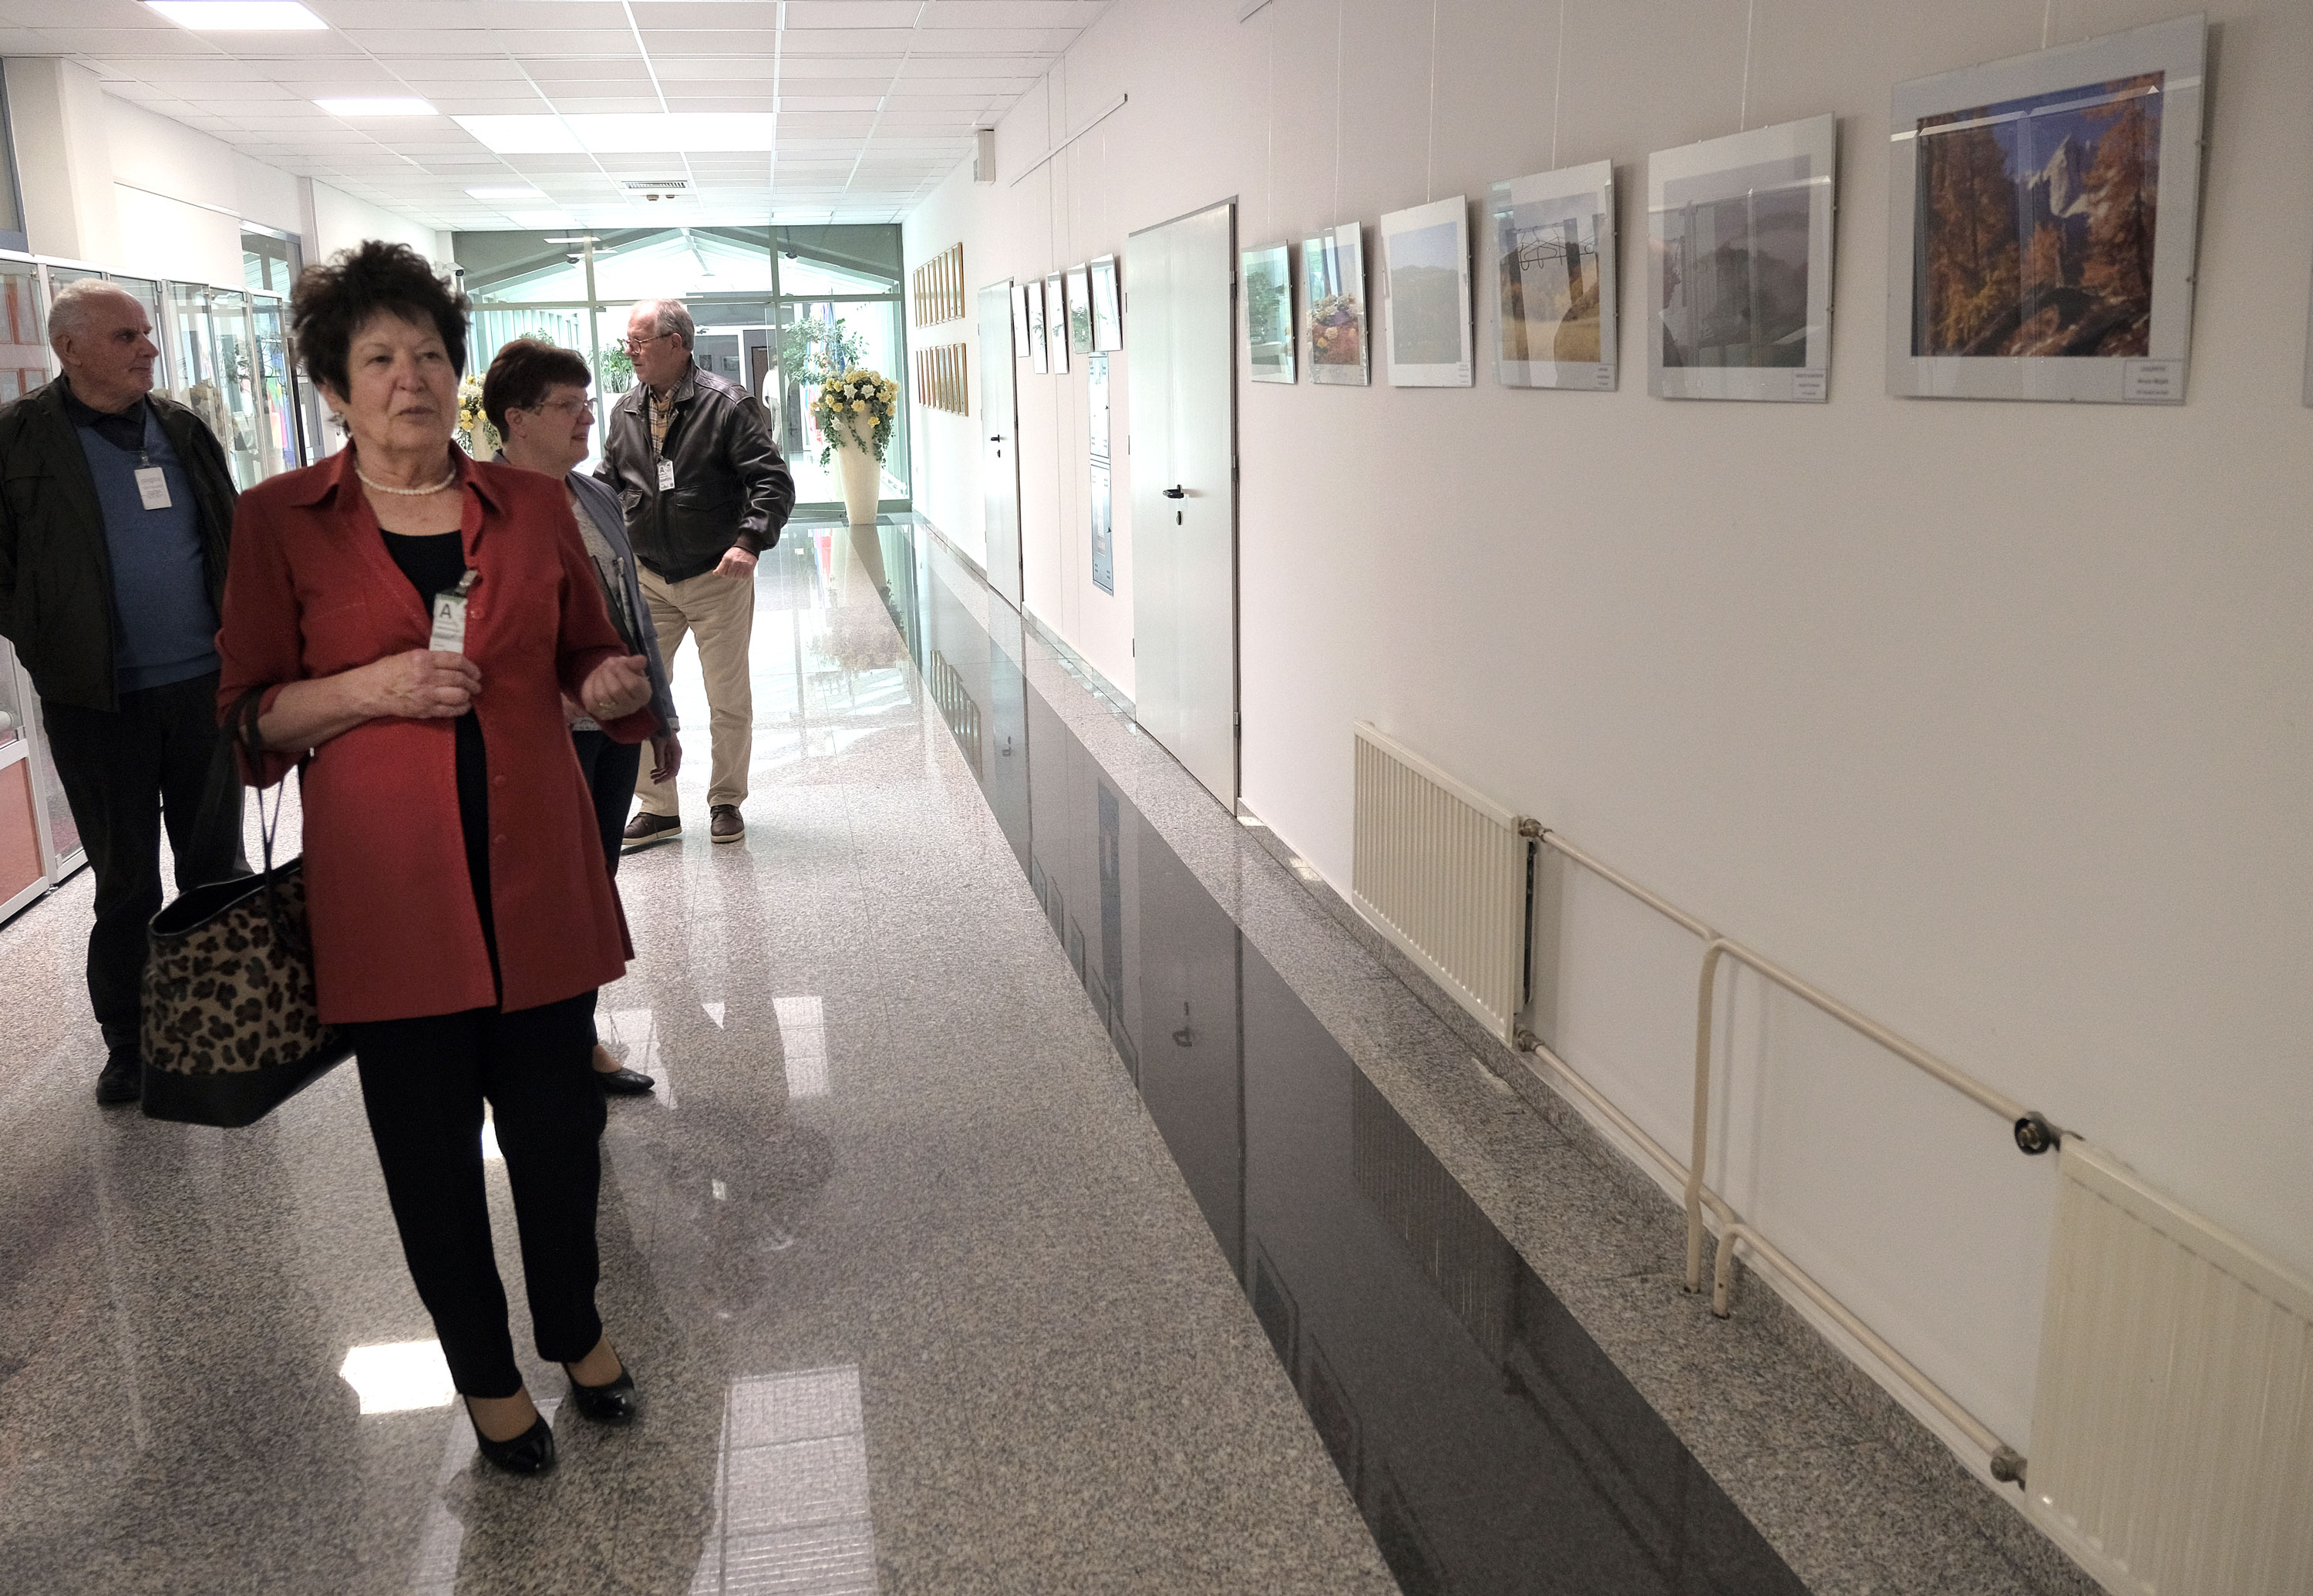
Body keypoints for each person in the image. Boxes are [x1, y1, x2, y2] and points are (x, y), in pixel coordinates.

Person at [214, 241, 657, 1476]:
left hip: (539, 879)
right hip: (390, 897)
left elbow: (582, 647)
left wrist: (603, 680)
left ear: (456, 374)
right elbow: (247, 718)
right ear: (334, 387)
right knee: (429, 1156)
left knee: (560, 1134)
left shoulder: (529, 504)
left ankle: (574, 1326)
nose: (408, 377)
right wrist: (373, 687)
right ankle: (486, 1375)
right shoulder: (279, 521)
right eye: (377, 358)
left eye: (426, 353)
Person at [0, 279, 244, 1106]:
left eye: (145, 332)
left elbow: (228, 533)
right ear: (68, 349)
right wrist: (43, 631)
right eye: (126, 336)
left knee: (215, 868)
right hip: (96, 701)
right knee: (126, 880)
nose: (149, 348)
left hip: (203, 687)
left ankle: (226, 1024)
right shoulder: (18, 438)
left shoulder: (181, 428)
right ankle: (131, 1044)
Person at [483, 336, 677, 1095]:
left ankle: (579, 1038)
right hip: (538, 737)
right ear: (518, 418)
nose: (587, 417)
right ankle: (539, 1045)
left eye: (587, 402)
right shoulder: (480, 507)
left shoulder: (593, 496)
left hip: (613, 727)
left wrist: (660, 715)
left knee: (595, 881)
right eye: (568, 405)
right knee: (545, 889)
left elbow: (634, 614)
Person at [596, 298, 793, 849]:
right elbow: (610, 481)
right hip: (648, 577)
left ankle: (726, 800)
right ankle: (658, 808)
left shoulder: (726, 404)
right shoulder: (626, 410)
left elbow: (772, 481)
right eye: (627, 343)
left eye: (639, 342)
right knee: (641, 692)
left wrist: (749, 541)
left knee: (726, 696)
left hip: (716, 577)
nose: (630, 353)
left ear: (676, 343)